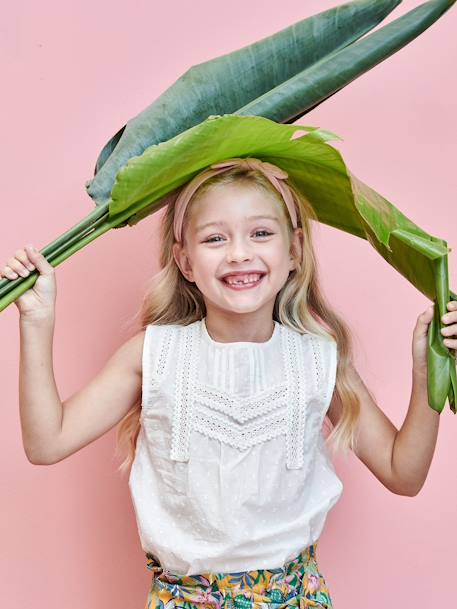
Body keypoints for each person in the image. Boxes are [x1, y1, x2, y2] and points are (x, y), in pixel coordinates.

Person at [2, 157, 456, 609]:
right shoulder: (154, 355)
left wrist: (424, 374)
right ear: (185, 260)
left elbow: (403, 473)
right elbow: (47, 442)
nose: (239, 253)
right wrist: (37, 322)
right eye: (215, 238)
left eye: (260, 233)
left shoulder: (319, 359)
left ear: (295, 251)